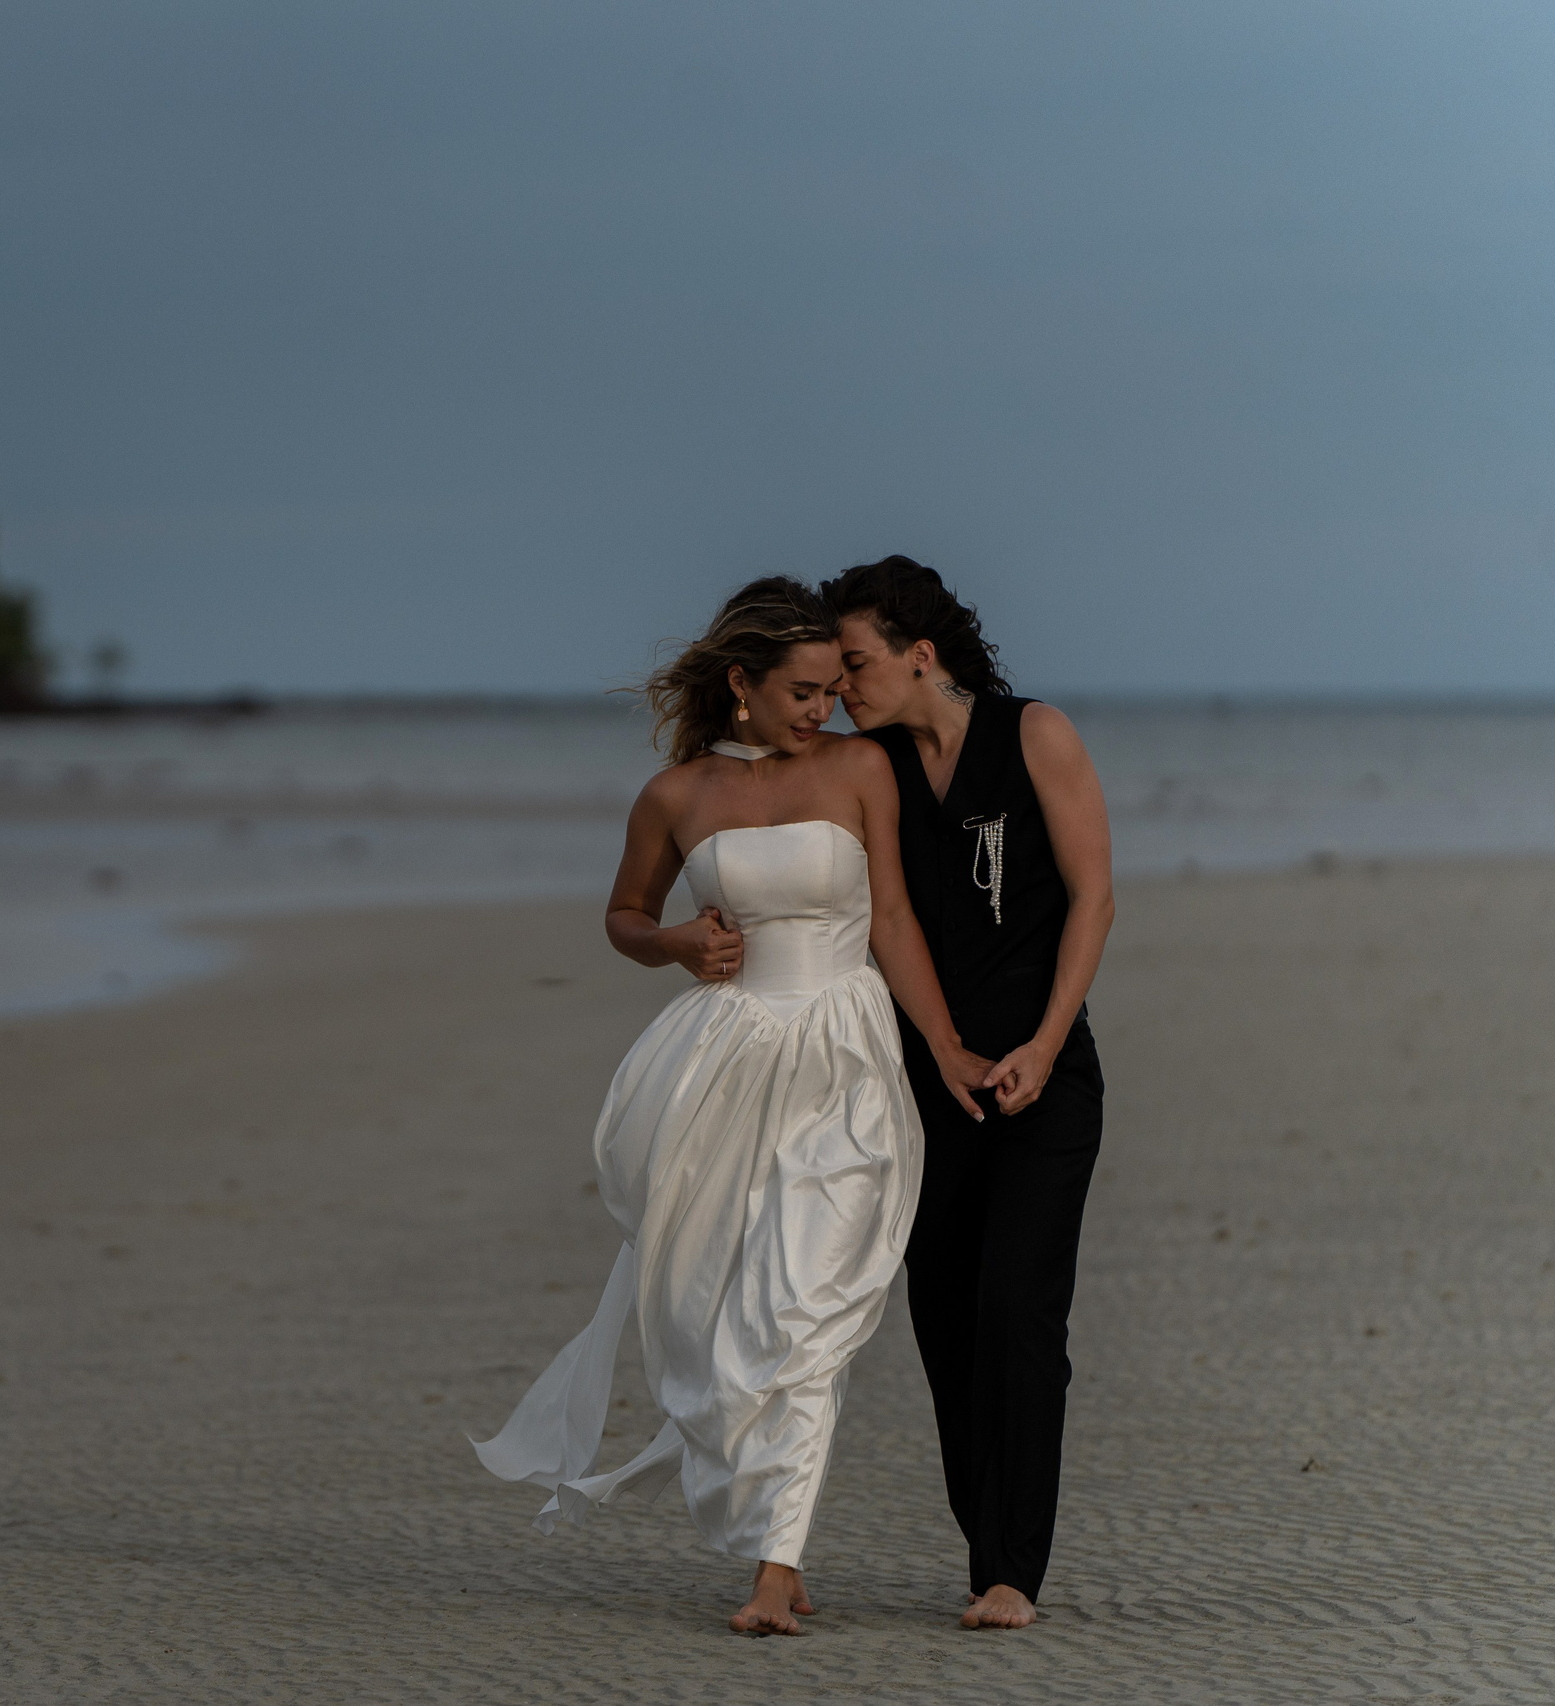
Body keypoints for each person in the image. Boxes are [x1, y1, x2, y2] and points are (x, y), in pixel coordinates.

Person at [473, 577, 991, 1637]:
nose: (824, 706)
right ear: (741, 684)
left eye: (832, 685)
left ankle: (770, 1568)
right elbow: (624, 914)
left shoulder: (858, 767)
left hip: (844, 1052)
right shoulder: (675, 795)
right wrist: (674, 944)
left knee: (801, 1307)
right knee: (701, 1313)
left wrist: (940, 1048)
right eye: (800, 690)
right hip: (725, 1057)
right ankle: (769, 1530)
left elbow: (889, 915)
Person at [823, 555, 1115, 1632]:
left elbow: (1093, 897)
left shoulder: (1034, 734)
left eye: (855, 662)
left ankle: (1012, 1571)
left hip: (1045, 1082)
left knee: (1018, 1312)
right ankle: (983, 1545)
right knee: (944, 1319)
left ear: (920, 653)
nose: (844, 683)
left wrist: (1041, 1043)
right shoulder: (869, 767)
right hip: (924, 1085)